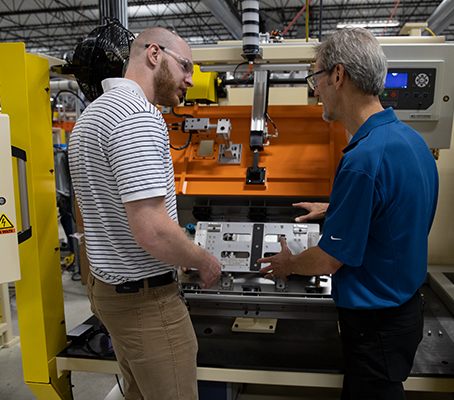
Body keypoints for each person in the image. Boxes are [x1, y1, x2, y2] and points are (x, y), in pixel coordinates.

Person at [258, 27, 439, 399]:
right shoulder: (411, 141)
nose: (315, 89)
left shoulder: (362, 160)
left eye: (316, 77)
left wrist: (287, 264)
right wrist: (336, 209)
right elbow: (394, 209)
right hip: (404, 313)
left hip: (374, 326)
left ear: (338, 76)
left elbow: (328, 261)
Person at [69, 27, 222, 400]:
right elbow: (152, 231)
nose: (190, 79)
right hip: (146, 303)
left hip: (109, 293)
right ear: (154, 54)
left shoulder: (88, 119)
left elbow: (85, 215)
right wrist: (203, 260)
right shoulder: (138, 116)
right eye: (185, 66)